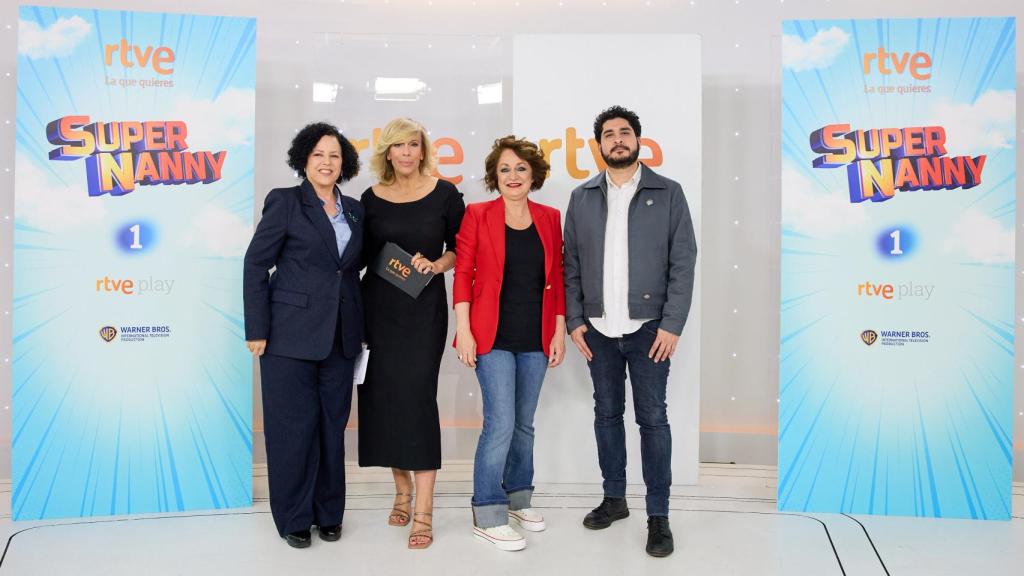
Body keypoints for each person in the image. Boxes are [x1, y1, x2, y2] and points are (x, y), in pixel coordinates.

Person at [563, 106, 697, 558]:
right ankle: (615, 498)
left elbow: (684, 262)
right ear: (597, 145)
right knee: (606, 415)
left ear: (639, 140)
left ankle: (657, 515)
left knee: (653, 419)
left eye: (624, 133)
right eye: (608, 134)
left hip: (649, 331)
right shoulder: (582, 197)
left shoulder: (669, 192)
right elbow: (572, 266)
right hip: (598, 330)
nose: (617, 140)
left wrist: (672, 325)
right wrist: (575, 319)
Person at [243, 122, 364, 548]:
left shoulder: (353, 209)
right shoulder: (286, 202)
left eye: (334, 156)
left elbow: (349, 271)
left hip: (341, 339)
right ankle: (294, 516)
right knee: (292, 429)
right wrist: (257, 329)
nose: (327, 163)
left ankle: (329, 512)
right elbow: (256, 264)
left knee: (332, 427)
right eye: (318, 155)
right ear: (303, 160)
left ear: (344, 163)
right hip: (287, 338)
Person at [453, 136, 566, 551]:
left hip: (535, 336)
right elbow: (463, 274)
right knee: (499, 424)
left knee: (524, 424)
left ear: (533, 174)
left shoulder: (550, 217)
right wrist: (463, 330)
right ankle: (488, 512)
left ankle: (519, 499)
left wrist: (557, 330)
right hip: (490, 336)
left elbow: (558, 277)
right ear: (493, 177)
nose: (513, 176)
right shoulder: (478, 214)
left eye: (521, 168)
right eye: (504, 169)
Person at [357, 117, 465, 549]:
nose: (405, 152)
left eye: (413, 145)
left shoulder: (445, 193)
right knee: (383, 399)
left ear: (423, 150)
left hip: (423, 312)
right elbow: (360, 257)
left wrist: (438, 264)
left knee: (418, 399)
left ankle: (423, 509)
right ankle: (400, 489)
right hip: (378, 310)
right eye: (397, 145)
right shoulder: (370, 198)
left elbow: (460, 248)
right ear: (387, 152)